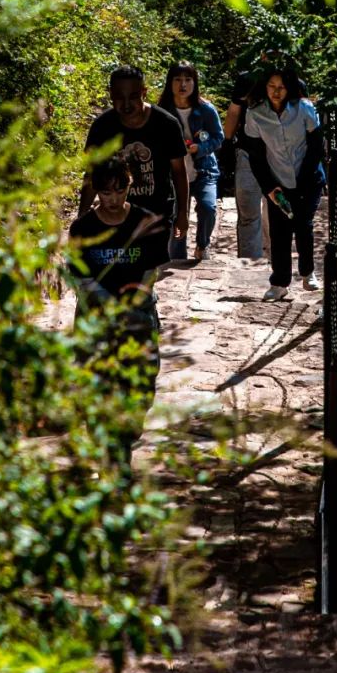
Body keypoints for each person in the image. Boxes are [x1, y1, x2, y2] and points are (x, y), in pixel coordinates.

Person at [68, 155, 169, 458]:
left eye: (120, 190)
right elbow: (80, 277)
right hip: (95, 317)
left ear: (130, 185)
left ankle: (129, 428)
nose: (113, 199)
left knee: (141, 382)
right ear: (96, 191)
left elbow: (153, 270)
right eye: (106, 192)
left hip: (138, 314)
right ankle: (106, 448)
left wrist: (134, 301)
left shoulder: (145, 222)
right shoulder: (83, 228)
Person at [79, 65, 189, 252]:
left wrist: (182, 213)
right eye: (119, 98)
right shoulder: (102, 128)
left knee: (147, 274)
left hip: (156, 214)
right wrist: (82, 216)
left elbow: (179, 172)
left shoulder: (166, 124)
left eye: (133, 97)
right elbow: (91, 175)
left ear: (144, 93)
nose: (127, 104)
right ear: (111, 95)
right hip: (114, 214)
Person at [244, 67, 326, 302]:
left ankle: (308, 272)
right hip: (277, 180)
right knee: (279, 231)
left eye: (281, 87)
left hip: (308, 177)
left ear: (289, 88)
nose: (276, 92)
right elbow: (256, 155)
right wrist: (269, 187)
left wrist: (303, 182)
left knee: (303, 223)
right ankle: (279, 282)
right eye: (272, 86)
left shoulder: (304, 109)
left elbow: (316, 147)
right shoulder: (255, 114)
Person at [157, 60, 224, 262]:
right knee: (178, 213)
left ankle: (203, 245)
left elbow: (218, 137)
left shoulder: (206, 109)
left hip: (203, 170)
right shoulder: (162, 110)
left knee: (207, 207)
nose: (183, 85)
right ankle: (177, 258)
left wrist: (200, 148)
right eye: (178, 80)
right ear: (170, 83)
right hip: (174, 172)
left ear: (194, 83)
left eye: (188, 79)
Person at [223, 68, 265, 260]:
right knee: (248, 213)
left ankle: (277, 264)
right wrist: (227, 141)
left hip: (284, 156)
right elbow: (234, 111)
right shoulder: (247, 78)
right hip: (248, 152)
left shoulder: (294, 81)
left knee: (279, 214)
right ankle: (249, 263)